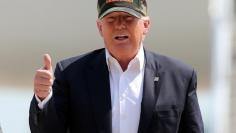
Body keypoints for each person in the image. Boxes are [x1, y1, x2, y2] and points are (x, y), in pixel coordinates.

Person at [29, 0, 204, 133]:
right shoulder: (71, 74)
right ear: (100, 27)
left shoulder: (179, 77)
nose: (120, 25)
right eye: (111, 19)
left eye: (128, 18)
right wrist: (43, 99)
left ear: (146, 26)